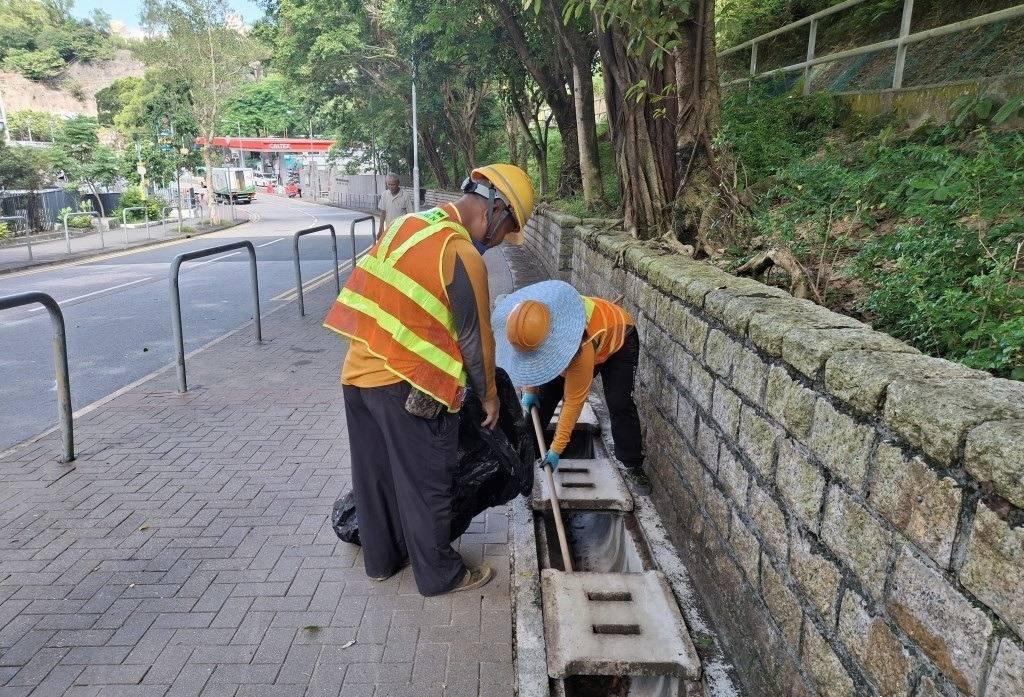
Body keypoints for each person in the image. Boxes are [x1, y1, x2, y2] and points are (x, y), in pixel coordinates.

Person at [324, 164, 535, 596]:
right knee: (426, 483)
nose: (499, 241)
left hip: (357, 376)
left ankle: (381, 563)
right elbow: (476, 339)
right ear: (495, 209)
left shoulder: (410, 225)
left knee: (375, 478)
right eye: (507, 228)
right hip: (409, 388)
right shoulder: (461, 253)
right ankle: (441, 575)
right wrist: (490, 398)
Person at [492, 280, 643, 473]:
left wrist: (556, 450)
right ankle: (527, 454)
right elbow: (532, 359)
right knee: (543, 397)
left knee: (619, 403)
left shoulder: (580, 350)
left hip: (619, 340)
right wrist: (531, 389)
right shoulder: (535, 317)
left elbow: (573, 402)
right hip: (587, 338)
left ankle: (633, 464)